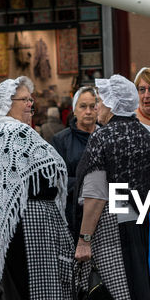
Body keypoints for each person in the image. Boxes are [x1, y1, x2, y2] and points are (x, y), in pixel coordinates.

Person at [0, 77, 79, 300]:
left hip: (17, 227)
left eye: (30, 99)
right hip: (32, 225)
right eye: (23, 100)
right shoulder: (15, 133)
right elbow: (31, 182)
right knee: (45, 297)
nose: (30, 104)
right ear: (6, 105)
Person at [73, 75, 150, 300]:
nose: (97, 107)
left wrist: (84, 238)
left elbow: (95, 194)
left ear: (111, 105)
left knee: (100, 297)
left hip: (108, 227)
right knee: (139, 299)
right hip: (141, 222)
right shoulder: (145, 136)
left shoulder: (103, 139)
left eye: (100, 101)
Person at [52, 85, 98, 236]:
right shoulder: (61, 140)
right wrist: (86, 184)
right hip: (73, 214)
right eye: (83, 106)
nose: (89, 111)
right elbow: (56, 179)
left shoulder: (107, 136)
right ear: (74, 110)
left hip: (105, 213)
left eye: (93, 106)